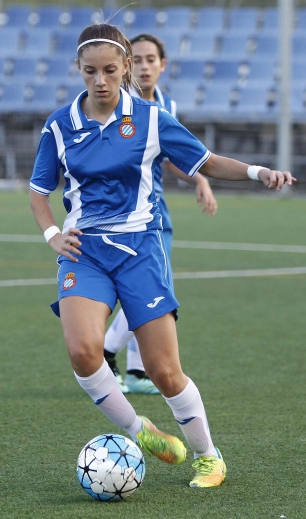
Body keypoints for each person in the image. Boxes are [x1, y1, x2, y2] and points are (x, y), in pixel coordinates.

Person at [29, 23, 294, 488]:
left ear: (126, 67)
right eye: (90, 71)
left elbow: (206, 161)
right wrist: (53, 232)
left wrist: (257, 171)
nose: (100, 81)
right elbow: (38, 191)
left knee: (164, 371)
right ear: (78, 70)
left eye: (110, 70)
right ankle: (140, 430)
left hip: (141, 251)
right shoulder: (59, 124)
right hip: (84, 251)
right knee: (82, 350)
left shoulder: (151, 118)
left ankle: (209, 457)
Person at [104, 33, 218, 395]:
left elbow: (173, 157)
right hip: (123, 215)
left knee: (154, 290)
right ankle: (107, 350)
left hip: (156, 212)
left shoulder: (166, 104)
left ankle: (137, 372)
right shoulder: (121, 105)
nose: (144, 66)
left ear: (162, 64)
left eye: (151, 59)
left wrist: (200, 179)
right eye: (136, 60)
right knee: (152, 290)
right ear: (126, 67)